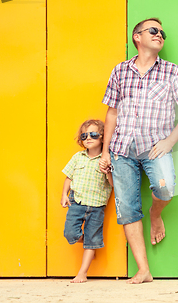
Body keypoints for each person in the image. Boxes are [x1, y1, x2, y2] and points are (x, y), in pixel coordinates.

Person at [99, 17, 178, 284]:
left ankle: (155, 214)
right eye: (153, 30)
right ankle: (144, 270)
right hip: (121, 149)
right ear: (137, 37)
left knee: (165, 189)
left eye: (162, 33)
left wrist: (168, 143)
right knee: (128, 209)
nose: (160, 35)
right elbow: (112, 113)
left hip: (155, 148)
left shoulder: (173, 72)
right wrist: (106, 151)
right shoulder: (120, 71)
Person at [61, 119, 113, 283]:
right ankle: (91, 244)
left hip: (97, 206)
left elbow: (113, 185)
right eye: (84, 135)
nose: (88, 138)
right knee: (70, 234)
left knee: (92, 238)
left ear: (103, 137)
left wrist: (107, 172)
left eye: (93, 134)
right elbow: (68, 177)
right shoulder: (78, 157)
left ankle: (82, 273)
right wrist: (64, 194)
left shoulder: (107, 159)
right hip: (77, 202)